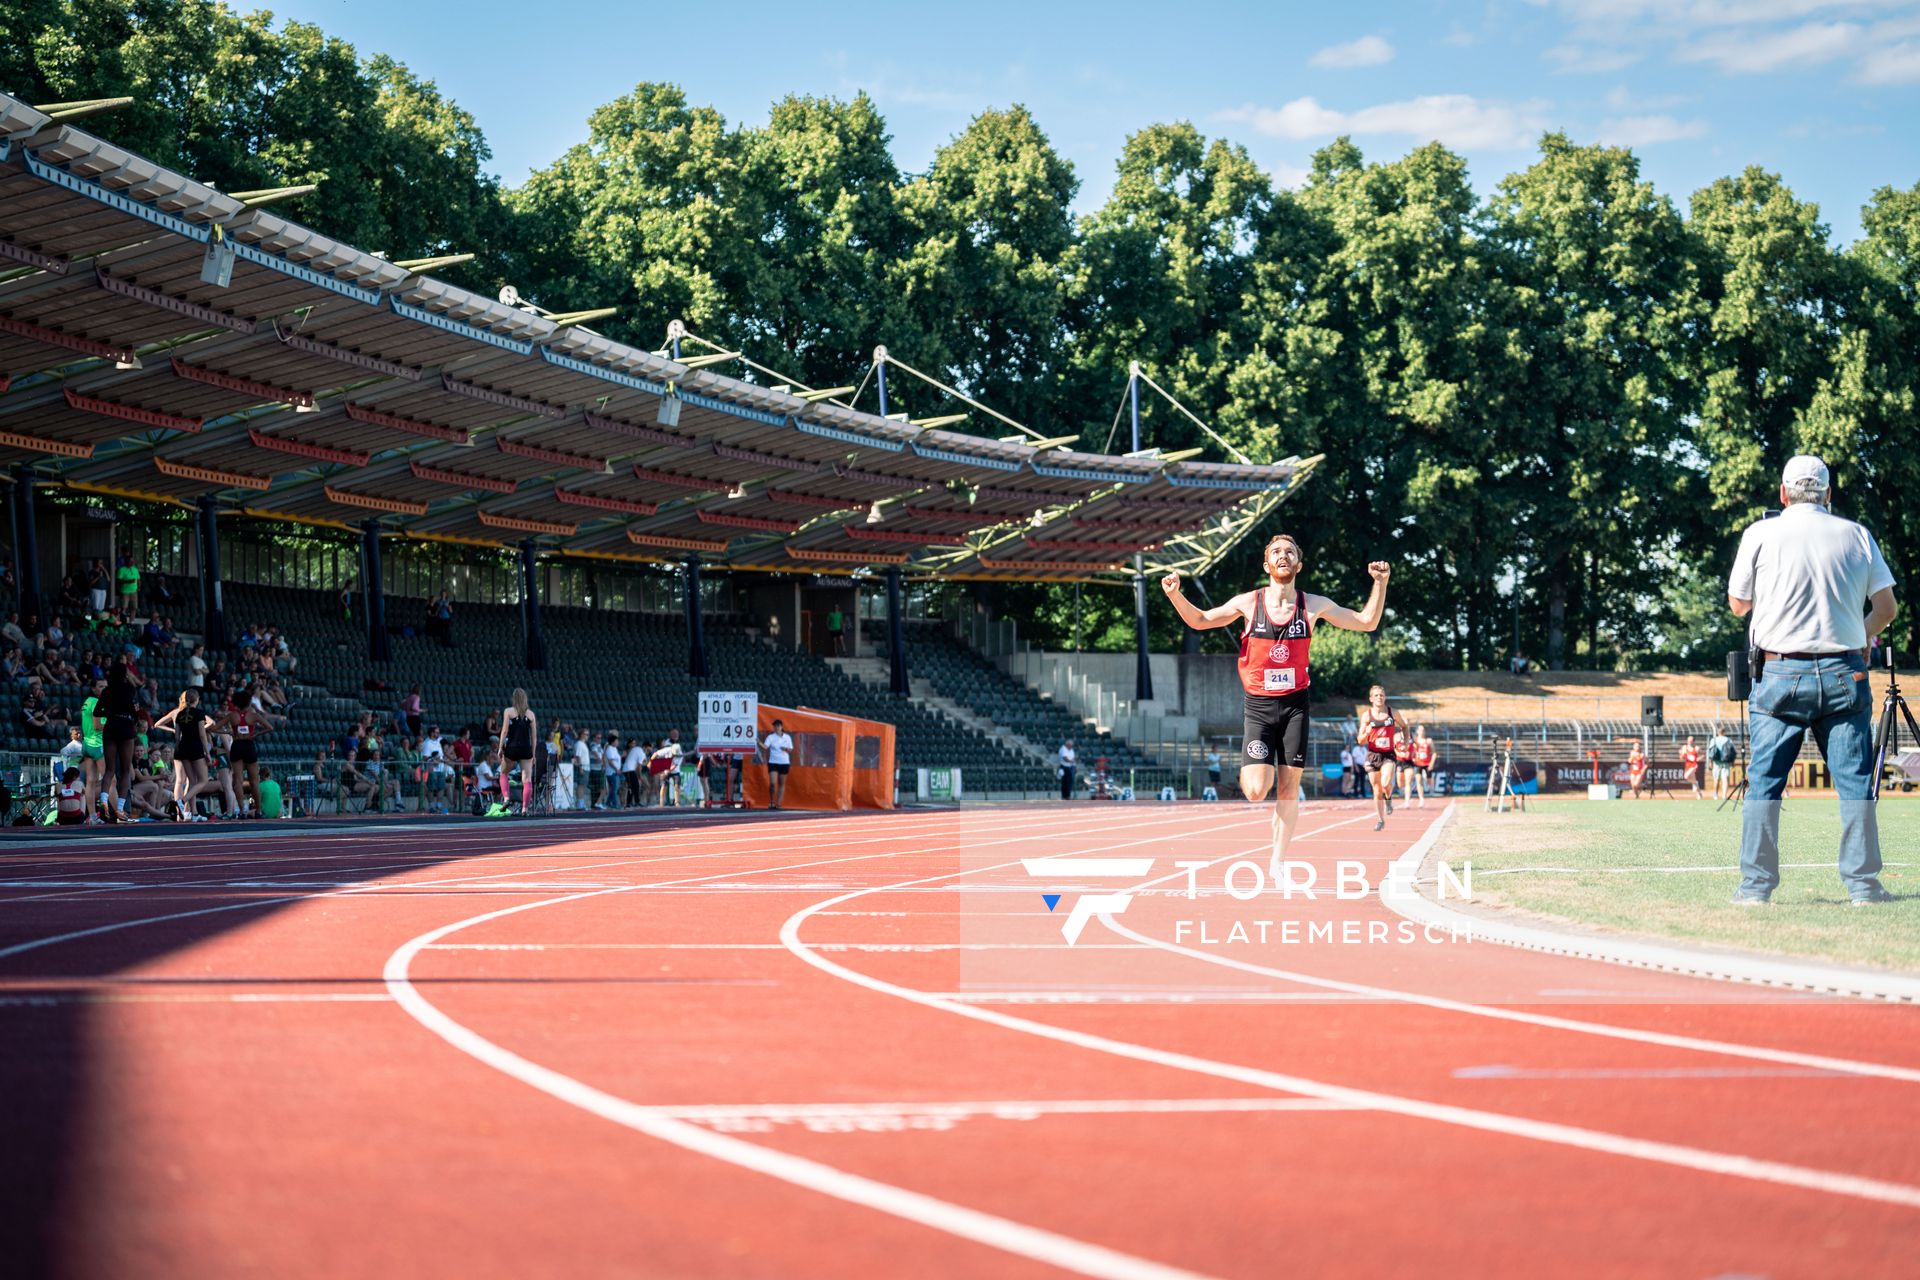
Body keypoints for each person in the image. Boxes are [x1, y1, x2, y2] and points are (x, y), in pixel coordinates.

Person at [1727, 454, 1899, 905]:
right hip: (1845, 671)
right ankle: (1863, 886)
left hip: (1780, 671)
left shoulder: (1760, 534)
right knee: (1855, 782)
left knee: (1765, 781)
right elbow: (1887, 609)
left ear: (1783, 494)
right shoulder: (1857, 535)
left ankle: (1755, 888)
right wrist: (1857, 633)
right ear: (1829, 493)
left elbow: (1738, 603)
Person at [1164, 538, 1391, 875]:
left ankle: (1278, 860)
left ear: (1298, 564)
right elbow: (1200, 620)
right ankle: (1258, 776)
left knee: (1289, 788)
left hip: (1295, 705)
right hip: (1258, 706)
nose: (1283, 556)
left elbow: (1366, 622)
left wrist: (1380, 583)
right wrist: (1174, 594)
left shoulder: (1313, 605)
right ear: (1266, 565)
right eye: (1276, 552)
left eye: (1290, 552)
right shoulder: (1249, 603)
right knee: (1257, 790)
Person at [152, 689, 211, 821]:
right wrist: (207, 752)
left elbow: (177, 736)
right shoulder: (199, 713)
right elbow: (202, 735)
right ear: (197, 700)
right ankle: (181, 802)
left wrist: (178, 749)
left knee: (191, 781)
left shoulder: (179, 714)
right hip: (194, 748)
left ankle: (193, 813)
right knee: (203, 780)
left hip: (182, 748)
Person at [1357, 685, 1408, 832]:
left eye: (1382, 695)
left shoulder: (1393, 713)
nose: (1379, 697)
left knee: (1385, 783)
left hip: (1388, 754)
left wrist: (1404, 743)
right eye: (1377, 695)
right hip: (1373, 755)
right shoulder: (1366, 716)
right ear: (1371, 698)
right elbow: (1360, 740)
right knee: (1377, 790)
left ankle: (1389, 798)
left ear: (1385, 697)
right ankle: (1380, 820)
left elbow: (1405, 726)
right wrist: (1366, 733)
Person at [98, 656, 141, 822]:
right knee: (124, 771)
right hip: (125, 726)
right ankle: (121, 810)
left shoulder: (107, 691)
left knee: (109, 770)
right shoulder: (129, 688)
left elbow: (97, 712)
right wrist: (134, 717)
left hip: (110, 726)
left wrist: (110, 712)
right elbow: (132, 708)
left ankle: (103, 802)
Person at [500, 688, 537, 812]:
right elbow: (534, 736)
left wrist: (500, 747)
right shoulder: (531, 714)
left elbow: (504, 731)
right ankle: (525, 809)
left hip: (512, 747)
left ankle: (506, 798)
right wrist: (534, 753)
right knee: (527, 780)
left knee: (503, 773)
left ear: (514, 698)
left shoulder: (508, 711)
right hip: (526, 749)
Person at [761, 718, 793, 809]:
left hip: (784, 762)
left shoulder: (787, 737)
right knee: (773, 783)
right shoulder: (771, 737)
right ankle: (771, 801)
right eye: (775, 726)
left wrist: (786, 749)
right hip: (773, 762)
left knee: (782, 783)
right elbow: (765, 747)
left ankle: (778, 803)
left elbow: (790, 749)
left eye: (778, 726)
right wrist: (759, 742)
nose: (776, 727)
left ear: (781, 727)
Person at [1407, 725, 1435, 807]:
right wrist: (1412, 758)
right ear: (1417, 731)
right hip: (1418, 763)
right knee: (1419, 781)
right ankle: (1421, 799)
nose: (1422, 732)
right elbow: (1411, 750)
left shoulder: (1428, 741)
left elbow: (1434, 753)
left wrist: (1432, 763)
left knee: (1428, 780)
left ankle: (1431, 789)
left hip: (1427, 764)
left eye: (1423, 730)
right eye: (1420, 730)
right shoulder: (1415, 741)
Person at [1707, 727, 1736, 801]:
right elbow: (1732, 752)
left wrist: (1710, 762)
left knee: (1716, 779)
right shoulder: (1728, 740)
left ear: (1718, 732)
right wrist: (1732, 762)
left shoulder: (1714, 740)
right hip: (1726, 762)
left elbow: (1711, 752)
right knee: (1725, 779)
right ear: (1724, 732)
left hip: (1716, 762)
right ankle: (1724, 796)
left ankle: (1715, 794)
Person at [1680, 734, 1704, 799]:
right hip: (1687, 765)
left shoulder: (1696, 748)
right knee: (1693, 780)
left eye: (1691, 741)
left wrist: (1698, 759)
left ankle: (1695, 784)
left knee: (1686, 776)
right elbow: (1682, 757)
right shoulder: (1685, 747)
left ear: (1693, 741)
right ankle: (1699, 793)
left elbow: (1701, 756)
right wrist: (1684, 755)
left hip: (1694, 765)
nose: (1689, 742)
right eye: (1688, 740)